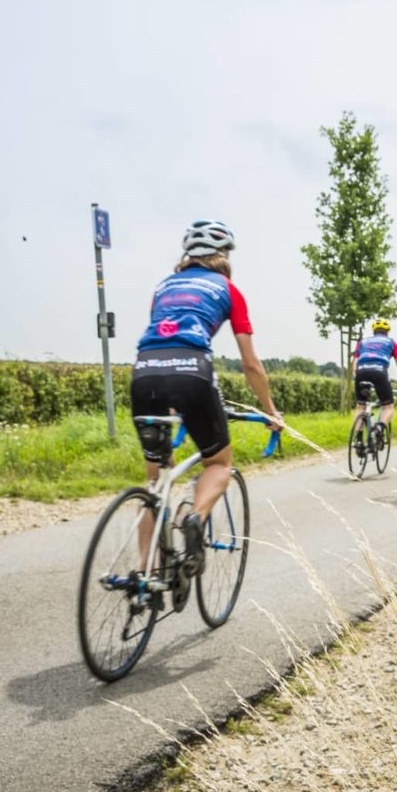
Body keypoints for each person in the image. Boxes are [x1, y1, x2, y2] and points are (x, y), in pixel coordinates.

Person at [131, 220, 281, 587]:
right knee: (219, 463)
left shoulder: (162, 287)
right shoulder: (228, 289)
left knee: (155, 481)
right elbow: (250, 363)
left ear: (186, 256)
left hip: (144, 373)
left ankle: (143, 575)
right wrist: (270, 410)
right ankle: (195, 518)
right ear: (224, 256)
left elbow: (165, 342)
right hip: (193, 374)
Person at [349, 318, 397, 440]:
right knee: (388, 406)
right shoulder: (392, 343)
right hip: (379, 372)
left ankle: (359, 440)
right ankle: (380, 427)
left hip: (361, 372)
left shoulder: (362, 342)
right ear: (387, 332)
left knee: (361, 406)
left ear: (374, 331)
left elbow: (354, 366)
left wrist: (359, 378)